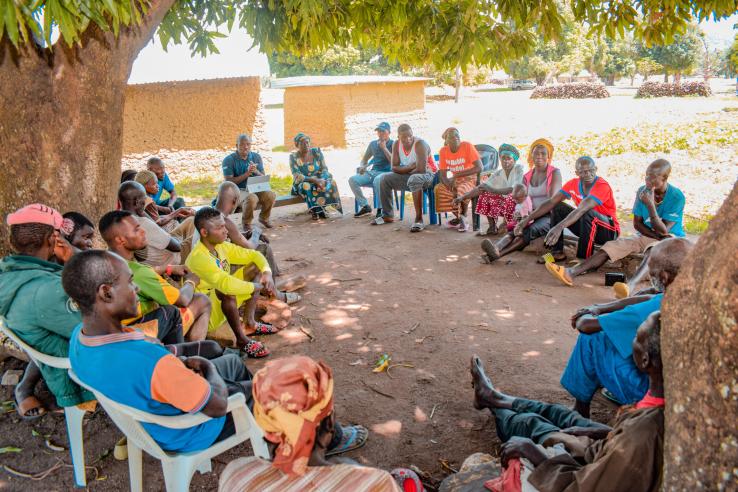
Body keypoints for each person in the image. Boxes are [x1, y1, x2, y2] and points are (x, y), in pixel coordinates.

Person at [64, 250, 254, 454]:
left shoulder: (79, 339)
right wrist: (207, 367)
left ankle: (255, 422)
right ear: (106, 293)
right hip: (192, 431)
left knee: (232, 363)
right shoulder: (151, 361)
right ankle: (264, 424)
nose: (136, 288)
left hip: (151, 424)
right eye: (129, 282)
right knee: (267, 386)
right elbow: (217, 406)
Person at [469, 309, 664, 492]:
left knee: (533, 425)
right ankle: (495, 398)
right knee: (563, 415)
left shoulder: (640, 436)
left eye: (636, 338)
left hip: (589, 466)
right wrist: (604, 432)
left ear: (646, 360)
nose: (631, 342)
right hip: (607, 445)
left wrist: (535, 455)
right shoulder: (659, 405)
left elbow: (584, 486)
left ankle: (496, 406)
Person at [219, 356, 394, 492]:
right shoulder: (377, 483)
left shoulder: (235, 475)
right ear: (331, 422)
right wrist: (351, 469)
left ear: (264, 425)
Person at [561, 237, 691, 418]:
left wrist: (587, 314)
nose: (649, 275)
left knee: (593, 339)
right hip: (687, 390)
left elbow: (586, 326)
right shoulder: (695, 294)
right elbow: (650, 296)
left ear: (664, 277)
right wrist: (601, 307)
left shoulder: (654, 308)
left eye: (651, 270)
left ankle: (580, 410)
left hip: (654, 393)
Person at [0, 204, 95, 419]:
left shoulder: (11, 274)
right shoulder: (46, 289)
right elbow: (95, 328)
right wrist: (75, 261)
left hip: (55, 350)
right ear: (53, 239)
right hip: (75, 374)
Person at [546, 159, 685, 288]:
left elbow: (664, 230)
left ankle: (629, 286)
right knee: (611, 246)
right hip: (645, 234)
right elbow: (637, 224)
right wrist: (656, 235)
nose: (647, 179)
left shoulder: (676, 196)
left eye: (653, 176)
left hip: (670, 238)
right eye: (647, 175)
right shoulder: (642, 191)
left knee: (653, 251)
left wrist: (650, 205)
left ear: (664, 178)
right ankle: (570, 273)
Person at [99, 210, 212, 342]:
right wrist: (191, 281)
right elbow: (183, 300)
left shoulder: (106, 261)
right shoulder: (139, 273)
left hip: (114, 330)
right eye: (136, 230)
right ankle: (195, 351)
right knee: (201, 301)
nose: (143, 232)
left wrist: (168, 269)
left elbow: (143, 273)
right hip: (136, 332)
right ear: (120, 240)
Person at [185, 207, 276, 358]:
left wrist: (267, 274)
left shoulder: (221, 246)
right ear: (204, 233)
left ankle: (250, 323)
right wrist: (258, 287)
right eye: (219, 227)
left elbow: (254, 254)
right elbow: (226, 284)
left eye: (224, 225)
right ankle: (241, 340)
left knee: (255, 268)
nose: (225, 230)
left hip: (222, 302)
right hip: (206, 314)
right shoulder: (198, 257)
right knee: (225, 290)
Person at [480, 139, 562, 261]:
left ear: (548, 156)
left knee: (528, 230)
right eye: (536, 153)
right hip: (530, 213)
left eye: (543, 153)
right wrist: (521, 214)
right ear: (531, 155)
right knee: (515, 229)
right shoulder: (527, 176)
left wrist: (528, 218)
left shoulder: (554, 173)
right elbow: (522, 199)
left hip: (549, 216)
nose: (539, 156)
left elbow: (552, 201)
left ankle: (497, 255)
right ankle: (496, 248)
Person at [372, 124, 437, 232]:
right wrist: (411, 167)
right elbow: (394, 167)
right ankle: (387, 215)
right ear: (398, 137)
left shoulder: (420, 144)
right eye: (404, 137)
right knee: (384, 178)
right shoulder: (396, 144)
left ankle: (419, 219)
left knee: (414, 179)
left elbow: (421, 170)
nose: (408, 139)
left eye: (410, 136)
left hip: (429, 175)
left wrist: (405, 169)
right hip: (410, 174)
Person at [118, 181, 193, 268]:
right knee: (199, 230)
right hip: (171, 260)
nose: (145, 201)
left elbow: (156, 226)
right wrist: (182, 238)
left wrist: (141, 211)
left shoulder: (119, 219)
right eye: (144, 198)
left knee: (190, 221)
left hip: (156, 253)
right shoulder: (142, 224)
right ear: (136, 202)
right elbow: (177, 247)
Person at [458, 143, 525, 236]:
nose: (506, 161)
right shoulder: (499, 173)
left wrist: (493, 190)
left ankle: (510, 226)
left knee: (510, 197)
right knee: (485, 194)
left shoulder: (519, 169)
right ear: (500, 159)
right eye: (503, 158)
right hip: (505, 203)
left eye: (509, 158)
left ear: (514, 160)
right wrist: (463, 197)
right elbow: (482, 187)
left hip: (519, 204)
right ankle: (492, 227)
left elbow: (513, 190)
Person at [222, 134, 277, 230]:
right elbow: (229, 182)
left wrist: (256, 171)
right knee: (252, 198)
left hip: (254, 188)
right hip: (237, 191)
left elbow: (262, 176)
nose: (246, 147)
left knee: (271, 195)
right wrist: (247, 174)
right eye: (242, 144)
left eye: (248, 144)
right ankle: (246, 223)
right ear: (236, 145)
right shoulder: (229, 160)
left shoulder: (256, 157)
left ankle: (264, 218)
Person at [434, 128, 483, 233]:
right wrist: (448, 186)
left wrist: (457, 175)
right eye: (452, 136)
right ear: (446, 141)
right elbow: (442, 174)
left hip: (472, 178)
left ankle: (463, 217)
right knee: (439, 189)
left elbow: (479, 168)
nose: (456, 138)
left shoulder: (467, 146)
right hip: (456, 179)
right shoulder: (443, 151)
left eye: (457, 135)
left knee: (462, 189)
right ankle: (459, 217)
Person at [289, 133, 343, 220]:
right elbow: (297, 175)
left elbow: (324, 168)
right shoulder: (293, 157)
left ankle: (323, 208)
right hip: (304, 181)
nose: (306, 145)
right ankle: (316, 210)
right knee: (307, 186)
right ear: (297, 145)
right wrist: (315, 181)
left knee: (331, 181)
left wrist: (321, 179)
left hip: (320, 178)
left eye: (307, 142)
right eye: (302, 143)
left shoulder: (316, 152)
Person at [349, 122, 394, 218]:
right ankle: (365, 206)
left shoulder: (393, 144)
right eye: (378, 131)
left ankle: (381, 209)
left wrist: (384, 148)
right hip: (373, 172)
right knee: (352, 180)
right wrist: (362, 166)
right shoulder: (373, 144)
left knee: (378, 180)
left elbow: (393, 162)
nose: (380, 133)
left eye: (383, 131)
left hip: (387, 173)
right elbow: (364, 159)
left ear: (389, 132)